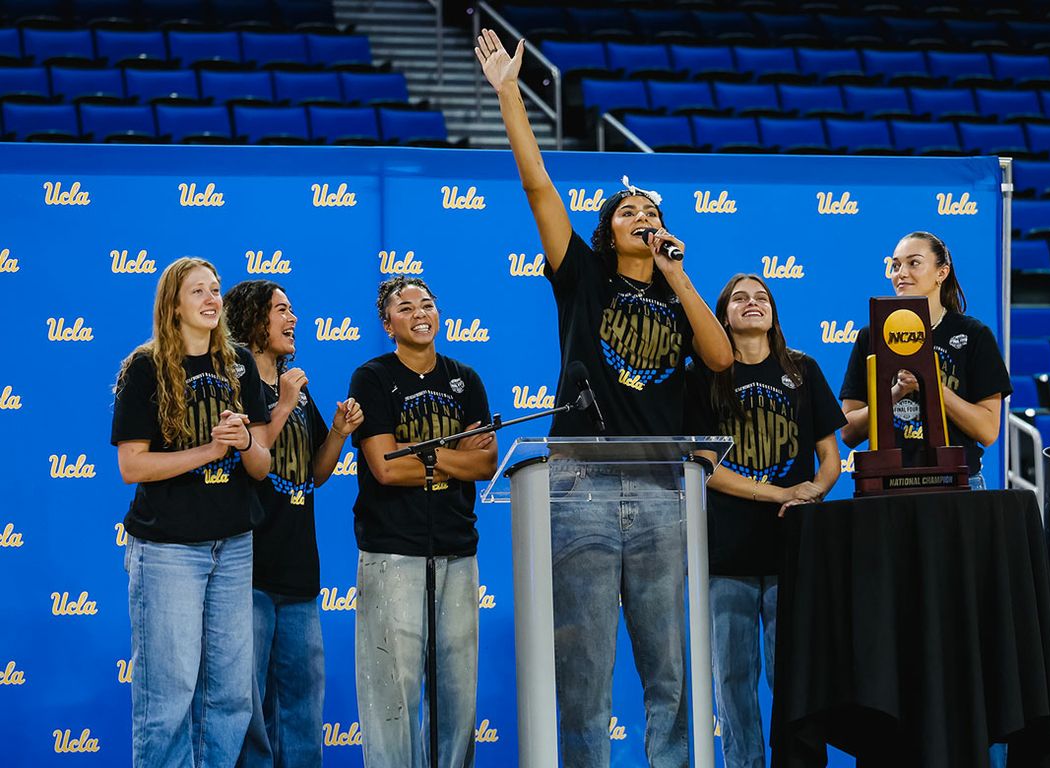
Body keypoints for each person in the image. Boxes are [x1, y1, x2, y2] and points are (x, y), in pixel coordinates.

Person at [476, 28, 734, 767]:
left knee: (672, 679)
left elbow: (717, 361)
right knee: (584, 678)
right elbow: (538, 187)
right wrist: (508, 95)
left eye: (650, 209)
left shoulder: (680, 292)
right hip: (581, 489)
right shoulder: (583, 277)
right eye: (628, 211)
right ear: (607, 229)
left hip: (661, 491)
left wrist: (679, 276)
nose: (642, 216)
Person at [112, 257, 271, 768]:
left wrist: (244, 439)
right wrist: (208, 450)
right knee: (170, 694)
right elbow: (132, 465)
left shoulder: (239, 363)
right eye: (197, 290)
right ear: (173, 305)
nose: (210, 298)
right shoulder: (145, 366)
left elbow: (263, 464)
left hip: (233, 544)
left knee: (230, 695)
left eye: (215, 289)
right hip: (167, 550)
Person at [686, 274, 844, 768]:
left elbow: (830, 457)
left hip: (791, 551)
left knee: (793, 677)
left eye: (761, 297)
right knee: (733, 681)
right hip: (726, 553)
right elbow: (704, 466)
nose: (751, 304)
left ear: (773, 312)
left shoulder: (803, 369)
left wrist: (813, 493)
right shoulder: (702, 376)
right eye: (739, 298)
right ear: (722, 314)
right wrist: (781, 491)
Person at [347, 276, 497, 768]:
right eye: (405, 306)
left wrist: (427, 457)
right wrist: (452, 453)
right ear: (387, 323)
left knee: (457, 694)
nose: (419, 313)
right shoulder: (371, 377)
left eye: (427, 304)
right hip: (393, 553)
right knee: (393, 694)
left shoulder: (465, 379)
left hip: (457, 549)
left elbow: (485, 463)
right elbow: (386, 468)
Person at [223, 280, 364, 768]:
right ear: (253, 321)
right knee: (250, 707)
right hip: (250, 569)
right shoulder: (237, 385)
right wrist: (281, 403)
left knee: (304, 708)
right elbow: (250, 461)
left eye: (292, 309)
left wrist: (341, 433)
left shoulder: (299, 391)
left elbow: (318, 473)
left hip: (301, 570)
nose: (293, 318)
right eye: (281, 309)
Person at [839, 231, 1012, 490]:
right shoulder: (870, 336)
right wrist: (895, 393)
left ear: (942, 273)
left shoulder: (973, 334)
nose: (901, 273)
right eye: (896, 265)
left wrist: (930, 385)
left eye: (914, 263)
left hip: (957, 483)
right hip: (887, 485)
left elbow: (987, 431)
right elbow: (848, 431)